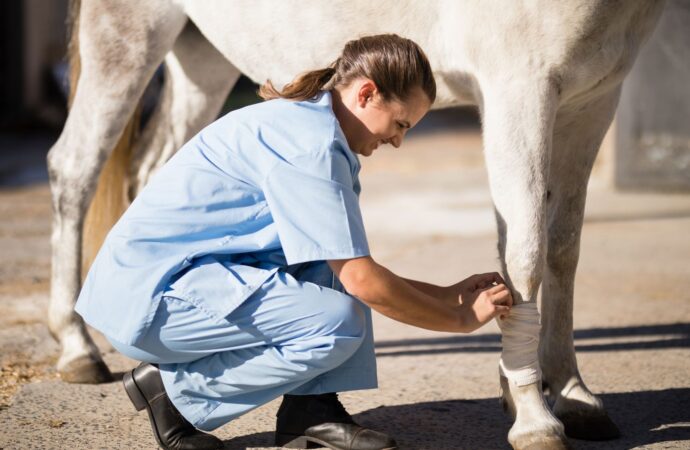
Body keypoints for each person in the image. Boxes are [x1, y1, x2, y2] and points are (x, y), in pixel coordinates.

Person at [75, 34, 513, 450]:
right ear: (366, 94)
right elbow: (363, 281)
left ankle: (311, 410)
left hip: (173, 284)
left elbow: (349, 267)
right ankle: (172, 392)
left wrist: (450, 294)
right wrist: (456, 319)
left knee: (330, 268)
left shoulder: (313, 127)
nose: (398, 140)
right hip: (150, 302)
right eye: (400, 123)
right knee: (334, 325)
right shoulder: (311, 146)